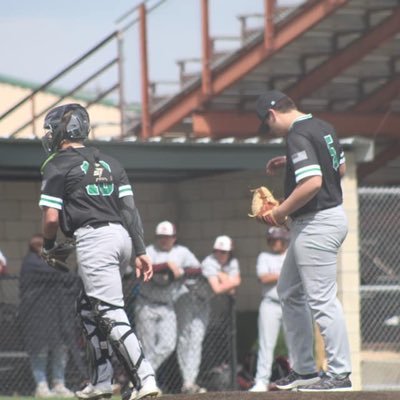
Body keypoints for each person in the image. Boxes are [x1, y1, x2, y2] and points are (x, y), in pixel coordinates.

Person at [38, 103, 160, 400]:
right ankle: (101, 381)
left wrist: (49, 246)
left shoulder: (56, 163)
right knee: (86, 306)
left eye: (52, 129)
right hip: (121, 238)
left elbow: (51, 218)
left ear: (63, 131)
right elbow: (130, 210)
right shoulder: (111, 163)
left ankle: (146, 379)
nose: (49, 135)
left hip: (94, 239)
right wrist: (141, 250)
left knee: (109, 311)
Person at [254, 90, 352, 391]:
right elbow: (340, 169)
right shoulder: (323, 127)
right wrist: (292, 161)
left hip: (316, 222)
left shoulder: (297, 134)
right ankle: (305, 370)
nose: (269, 130)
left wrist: (279, 212)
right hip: (327, 217)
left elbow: (312, 182)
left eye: (267, 124)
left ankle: (340, 374)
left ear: (272, 115)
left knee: (321, 299)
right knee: (289, 291)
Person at [134, 221, 201, 393]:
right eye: (161, 237)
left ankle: (142, 377)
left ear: (174, 238)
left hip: (168, 306)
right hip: (146, 303)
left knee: (168, 345)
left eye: (168, 237)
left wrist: (181, 271)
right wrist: (166, 266)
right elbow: (138, 268)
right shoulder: (149, 250)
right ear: (157, 238)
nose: (165, 240)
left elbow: (198, 269)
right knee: (146, 347)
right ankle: (147, 384)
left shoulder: (181, 252)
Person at [19, 234, 75, 398]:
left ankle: (59, 384)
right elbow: (60, 273)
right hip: (35, 314)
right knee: (39, 350)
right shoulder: (32, 263)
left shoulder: (49, 263)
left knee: (60, 348)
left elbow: (69, 277)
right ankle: (41, 386)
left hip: (56, 314)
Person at [195, 235, 241, 391]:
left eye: (224, 252)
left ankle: (194, 381)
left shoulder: (232, 262)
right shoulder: (209, 261)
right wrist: (231, 280)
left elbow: (233, 289)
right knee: (193, 342)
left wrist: (223, 278)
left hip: (207, 305)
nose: (221, 255)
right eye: (218, 251)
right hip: (192, 302)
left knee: (200, 342)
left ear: (229, 253)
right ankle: (191, 383)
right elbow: (219, 288)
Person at [249, 227, 289, 392]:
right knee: (266, 343)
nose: (274, 242)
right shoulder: (264, 256)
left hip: (290, 304)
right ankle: (261, 381)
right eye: (271, 240)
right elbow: (263, 277)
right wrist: (285, 274)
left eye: (277, 239)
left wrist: (278, 275)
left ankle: (299, 379)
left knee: (295, 344)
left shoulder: (291, 255)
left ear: (284, 240)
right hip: (270, 303)